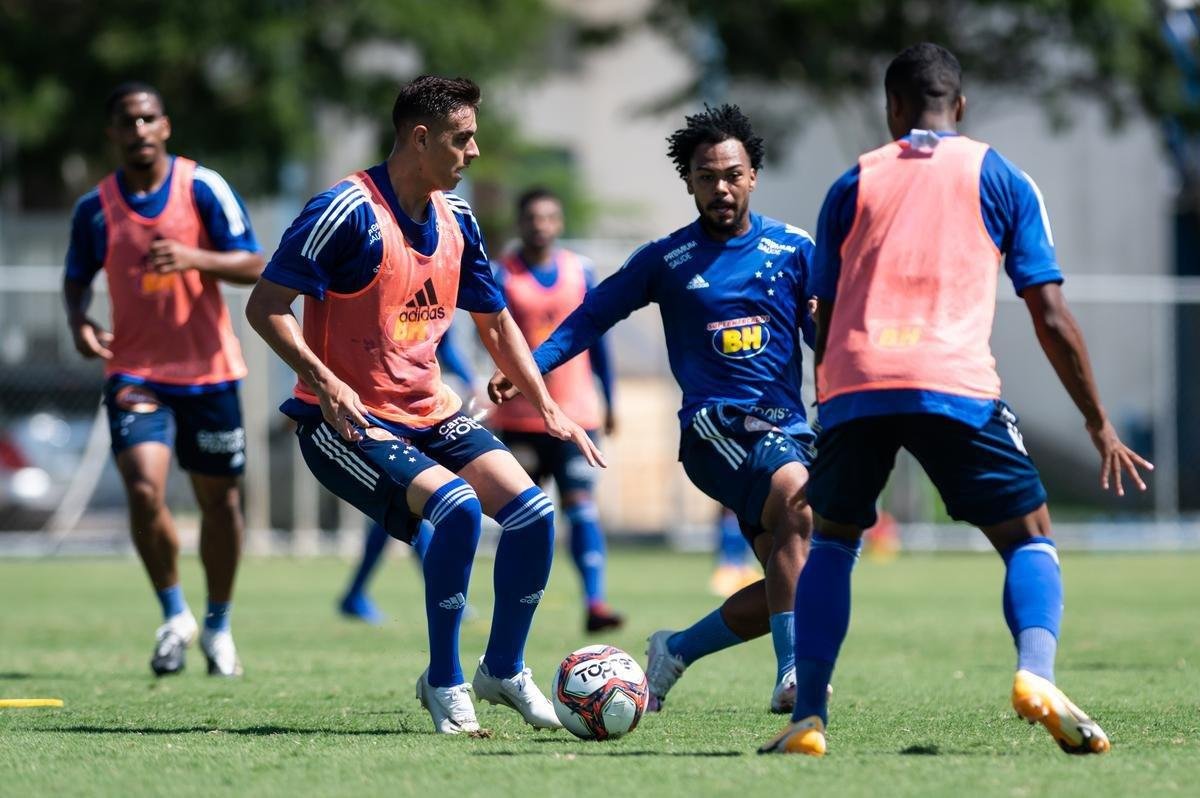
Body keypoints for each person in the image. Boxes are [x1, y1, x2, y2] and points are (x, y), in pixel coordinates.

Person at [759, 43, 1153, 757]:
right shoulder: (1001, 176)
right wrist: (1097, 422)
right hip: (952, 381)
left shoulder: (853, 181)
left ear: (894, 108)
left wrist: (832, 399)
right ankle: (1035, 676)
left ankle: (807, 717)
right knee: (1029, 533)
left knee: (835, 543)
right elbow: (1051, 314)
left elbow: (820, 308)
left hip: (856, 381)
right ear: (960, 107)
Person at [245, 75, 604, 735]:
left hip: (431, 413)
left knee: (531, 513)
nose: (473, 151)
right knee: (459, 507)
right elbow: (265, 308)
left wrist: (549, 407)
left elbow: (496, 325)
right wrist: (323, 379)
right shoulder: (344, 211)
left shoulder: (458, 219)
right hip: (342, 423)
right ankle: (445, 681)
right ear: (420, 137)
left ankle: (503, 668)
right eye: (462, 138)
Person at [491, 104, 814, 714]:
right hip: (716, 429)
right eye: (706, 176)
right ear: (689, 181)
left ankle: (677, 649)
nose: (720, 187)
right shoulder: (668, 260)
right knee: (798, 497)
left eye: (732, 174)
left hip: (789, 430)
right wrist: (528, 365)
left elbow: (827, 335)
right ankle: (796, 675)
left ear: (753, 176)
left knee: (798, 582)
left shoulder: (795, 250)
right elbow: (590, 315)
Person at [63, 82, 264, 678]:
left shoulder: (202, 187)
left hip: (209, 373)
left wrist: (195, 257)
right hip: (136, 372)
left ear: (166, 126)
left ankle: (219, 625)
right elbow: (75, 278)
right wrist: (78, 320)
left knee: (220, 503)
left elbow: (255, 264)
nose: (139, 130)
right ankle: (174, 614)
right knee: (145, 489)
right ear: (114, 134)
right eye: (128, 121)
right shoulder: (95, 208)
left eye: (148, 118)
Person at [489, 187, 622, 633]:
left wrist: (611, 397)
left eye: (549, 217)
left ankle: (596, 602)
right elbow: (491, 336)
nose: (540, 225)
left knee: (582, 506)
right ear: (520, 223)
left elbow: (597, 336)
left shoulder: (580, 271)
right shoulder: (501, 275)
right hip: (519, 421)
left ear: (559, 223)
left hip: (577, 416)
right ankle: (514, 608)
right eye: (532, 218)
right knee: (523, 516)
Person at [337, 330, 476, 626]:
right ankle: (447, 595)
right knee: (412, 506)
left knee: (400, 510)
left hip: (416, 410)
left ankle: (356, 592)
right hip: (384, 410)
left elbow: (443, 345)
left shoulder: (434, 294)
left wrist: (469, 379)